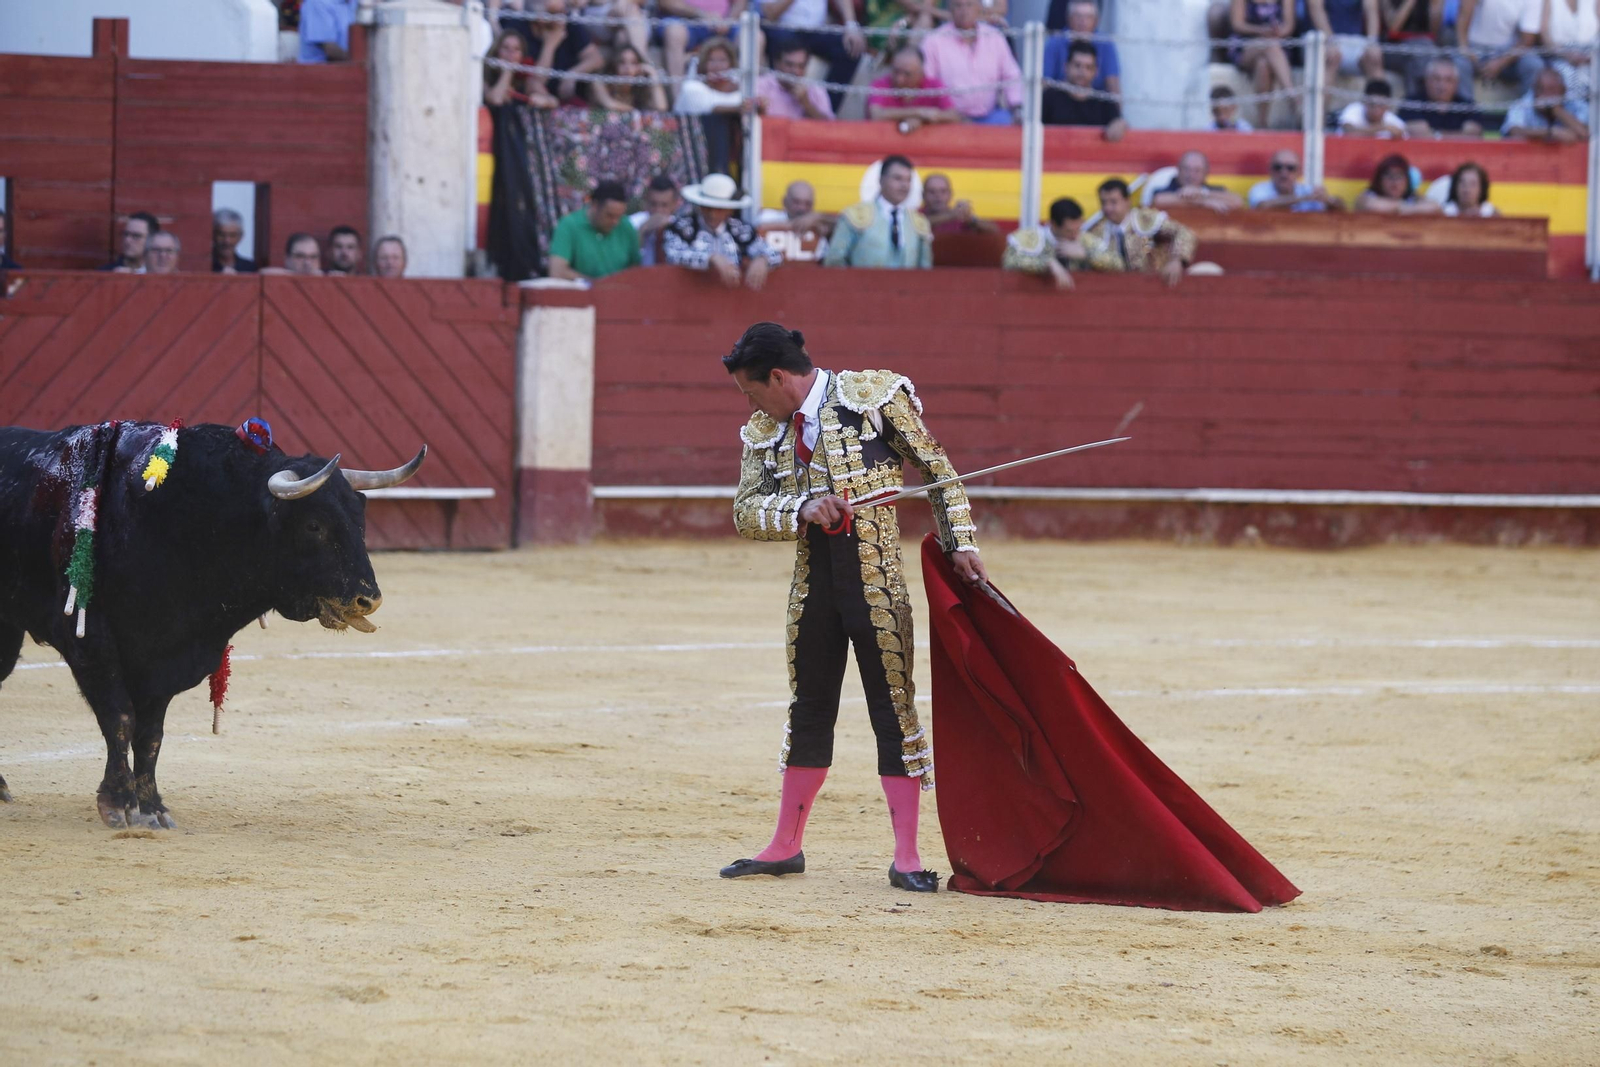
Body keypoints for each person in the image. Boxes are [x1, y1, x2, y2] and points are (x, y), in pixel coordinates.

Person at [718, 322, 986, 892]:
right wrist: (803, 507)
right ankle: (785, 846)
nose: (750, 403)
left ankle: (908, 857)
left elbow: (938, 470)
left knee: (894, 713)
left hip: (877, 583)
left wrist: (960, 544)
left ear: (778, 376)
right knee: (809, 709)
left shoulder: (873, 397)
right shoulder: (766, 428)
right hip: (813, 587)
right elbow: (745, 512)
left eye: (751, 390)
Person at [664, 173, 783, 289]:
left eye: (719, 209)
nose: (712, 214)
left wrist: (763, 260)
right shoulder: (681, 227)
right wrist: (711, 258)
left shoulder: (740, 230)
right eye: (707, 207)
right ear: (700, 206)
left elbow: (775, 253)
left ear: (730, 210)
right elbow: (673, 254)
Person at [921, 0, 1024, 125]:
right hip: (950, 120)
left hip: (991, 116)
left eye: (969, 5)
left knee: (1011, 124)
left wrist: (1017, 107)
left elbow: (1011, 75)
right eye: (958, 5)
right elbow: (927, 82)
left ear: (979, 8)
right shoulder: (934, 41)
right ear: (950, 10)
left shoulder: (994, 37)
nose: (964, 11)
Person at [823, 154, 934, 269]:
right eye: (897, 178)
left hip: (907, 287)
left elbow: (925, 269)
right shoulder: (855, 216)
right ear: (881, 180)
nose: (904, 185)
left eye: (908, 180)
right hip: (862, 286)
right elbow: (835, 260)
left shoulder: (919, 222)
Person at [1082, 177, 1198, 285]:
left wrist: (1176, 260)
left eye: (1113, 202)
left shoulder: (1145, 218)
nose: (1107, 208)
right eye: (1103, 203)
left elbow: (1184, 232)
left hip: (1157, 284)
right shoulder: (1098, 231)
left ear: (1127, 201)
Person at [759, 0, 868, 113]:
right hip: (783, 29)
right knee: (783, 49)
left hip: (816, 31)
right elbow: (770, 14)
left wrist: (851, 25)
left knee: (851, 48)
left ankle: (825, 109)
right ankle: (773, 109)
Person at [673, 37, 748, 173]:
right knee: (717, 120)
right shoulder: (691, 87)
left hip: (730, 149)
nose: (717, 66)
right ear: (703, 64)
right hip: (688, 150)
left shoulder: (740, 90)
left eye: (722, 60)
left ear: (731, 64)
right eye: (711, 60)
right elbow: (710, 108)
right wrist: (741, 107)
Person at [549, 180, 642, 281]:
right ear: (595, 205)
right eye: (609, 215)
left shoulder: (625, 226)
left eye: (619, 216)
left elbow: (636, 268)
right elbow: (557, 271)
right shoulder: (569, 225)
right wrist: (597, 285)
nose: (615, 222)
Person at [1002, 196, 1098, 290]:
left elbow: (1112, 260)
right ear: (1053, 224)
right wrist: (1048, 262)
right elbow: (1009, 261)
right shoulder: (1030, 237)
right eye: (1069, 231)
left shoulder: (1085, 239)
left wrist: (1087, 255)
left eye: (1078, 229)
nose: (1075, 236)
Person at [1228, 0, 1296, 129]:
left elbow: (1289, 26)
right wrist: (1261, 31)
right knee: (1269, 45)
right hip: (1245, 46)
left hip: (1278, 47)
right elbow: (1237, 24)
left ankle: (1262, 123)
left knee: (1263, 64)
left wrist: (1276, 33)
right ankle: (1292, 98)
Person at [521, 0, 605, 105]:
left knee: (596, 81)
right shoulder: (523, 30)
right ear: (540, 18)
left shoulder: (570, 25)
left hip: (571, 100)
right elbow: (536, 83)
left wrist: (571, 74)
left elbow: (596, 59)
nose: (562, 18)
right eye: (555, 13)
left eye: (563, 11)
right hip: (540, 101)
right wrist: (550, 46)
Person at [1042, 40, 1128, 140]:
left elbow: (1119, 123)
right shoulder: (1049, 98)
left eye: (1088, 67)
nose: (1082, 72)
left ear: (1096, 71)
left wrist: (1120, 124)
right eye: (1077, 65)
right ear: (1066, 67)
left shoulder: (1104, 101)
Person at [657, 0, 753, 85]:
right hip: (686, 21)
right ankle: (678, 99)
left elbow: (740, 2)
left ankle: (749, 99)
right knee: (674, 32)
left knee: (754, 36)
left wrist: (728, 21)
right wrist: (701, 14)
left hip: (725, 24)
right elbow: (667, 2)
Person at [867, 46, 962, 131]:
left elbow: (953, 115)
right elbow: (876, 115)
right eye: (896, 71)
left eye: (907, 74)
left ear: (921, 72)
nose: (899, 79)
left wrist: (921, 121)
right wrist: (919, 113)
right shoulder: (881, 84)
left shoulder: (934, 85)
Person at [1458, 0, 1545, 91]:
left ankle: (1528, 104)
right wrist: (1465, 49)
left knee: (1533, 65)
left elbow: (1527, 40)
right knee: (1459, 64)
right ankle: (1466, 103)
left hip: (1509, 54)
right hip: (1474, 49)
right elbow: (1463, 13)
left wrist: (1500, 63)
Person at [1043, 0, 1122, 96]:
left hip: (1095, 103)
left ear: (1096, 21)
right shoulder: (1054, 42)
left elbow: (1113, 85)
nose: (1082, 21)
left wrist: (1116, 110)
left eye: (1088, 17)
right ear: (1069, 18)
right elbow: (1045, 83)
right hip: (1060, 102)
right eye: (1078, 16)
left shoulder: (1106, 44)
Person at [1400, 54, 1488, 136]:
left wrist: (1435, 135)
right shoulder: (1412, 103)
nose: (1442, 86)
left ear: (1456, 83)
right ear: (1426, 80)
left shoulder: (1467, 106)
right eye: (1436, 79)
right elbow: (1419, 135)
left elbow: (1472, 136)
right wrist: (1458, 135)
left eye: (1448, 80)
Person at [1502, 63, 1592, 140]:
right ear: (1534, 91)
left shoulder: (1576, 104)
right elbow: (1514, 131)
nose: (1546, 95)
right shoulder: (1523, 104)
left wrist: (1557, 110)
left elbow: (1584, 134)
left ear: (1563, 91)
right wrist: (1551, 132)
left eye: (1552, 90)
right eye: (1541, 90)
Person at [1307, 0, 1386, 83]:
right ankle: (1321, 95)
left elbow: (1372, 11)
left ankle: (1378, 95)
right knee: (1331, 57)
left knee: (1374, 59)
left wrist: (1372, 41)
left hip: (1355, 40)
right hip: (1321, 38)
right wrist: (1330, 40)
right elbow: (1316, 9)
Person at [756, 179, 834, 263]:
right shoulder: (768, 216)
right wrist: (797, 224)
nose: (802, 208)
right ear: (785, 201)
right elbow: (754, 229)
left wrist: (818, 217)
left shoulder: (819, 223)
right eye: (796, 202)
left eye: (807, 204)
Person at [1537, 0, 1598, 105]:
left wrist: (1590, 56)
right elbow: (1545, 36)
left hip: (1592, 57)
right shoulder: (1550, 2)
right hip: (1560, 57)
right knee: (1566, 78)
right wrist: (1567, 55)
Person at [756, 43, 835, 120]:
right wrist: (760, 110)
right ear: (776, 63)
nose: (795, 71)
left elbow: (831, 127)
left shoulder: (816, 90)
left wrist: (807, 104)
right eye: (789, 65)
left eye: (801, 66)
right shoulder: (761, 85)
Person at [1248, 149, 1347, 210]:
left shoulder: (1307, 191)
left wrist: (1328, 200)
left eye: (1290, 168)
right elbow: (1263, 207)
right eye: (1278, 167)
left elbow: (1341, 209)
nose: (1284, 173)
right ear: (1270, 170)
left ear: (1299, 172)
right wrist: (1303, 198)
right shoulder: (1259, 189)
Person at [1150, 150, 1245, 214]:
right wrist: (1204, 202)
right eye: (1186, 169)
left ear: (1206, 173)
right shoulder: (1165, 189)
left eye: (1197, 170)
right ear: (1178, 169)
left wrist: (1201, 192)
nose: (1191, 175)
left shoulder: (1211, 190)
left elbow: (1237, 201)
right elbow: (1159, 200)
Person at [1354, 152, 1443, 213]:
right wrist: (1406, 207)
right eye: (1389, 175)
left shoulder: (1412, 197)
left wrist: (1402, 207)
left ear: (1407, 181)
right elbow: (1371, 206)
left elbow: (1435, 207)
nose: (1394, 181)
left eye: (1399, 176)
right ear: (1379, 179)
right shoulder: (1368, 195)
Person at [485, 30, 552, 108]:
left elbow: (554, 101)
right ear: (497, 51)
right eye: (505, 47)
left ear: (522, 55)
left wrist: (544, 101)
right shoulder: (486, 77)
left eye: (516, 49)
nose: (511, 53)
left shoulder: (526, 80)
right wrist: (507, 71)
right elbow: (496, 100)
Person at [590, 45, 669, 111]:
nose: (628, 68)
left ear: (640, 67)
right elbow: (609, 104)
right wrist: (638, 113)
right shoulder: (599, 82)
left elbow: (661, 108)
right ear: (614, 65)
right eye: (622, 62)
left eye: (633, 63)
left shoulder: (642, 87)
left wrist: (653, 74)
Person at [630, 175, 688, 266]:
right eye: (653, 204)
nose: (658, 210)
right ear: (646, 201)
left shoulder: (682, 229)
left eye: (664, 205)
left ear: (674, 204)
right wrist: (642, 231)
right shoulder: (632, 223)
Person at [920, 173, 998, 235]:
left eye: (943, 191)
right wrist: (951, 215)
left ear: (950, 194)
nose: (938, 196)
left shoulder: (959, 216)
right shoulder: (915, 215)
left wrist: (971, 219)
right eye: (931, 192)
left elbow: (994, 231)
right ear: (923, 195)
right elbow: (918, 225)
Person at [1337, 77, 1408, 137]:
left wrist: (1398, 136)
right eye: (1372, 104)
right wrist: (1382, 127)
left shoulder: (1394, 122)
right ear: (1364, 102)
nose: (1376, 110)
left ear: (1388, 106)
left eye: (1381, 105)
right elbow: (1349, 132)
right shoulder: (1354, 110)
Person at [212, 209, 257, 274]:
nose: (227, 241)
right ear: (213, 235)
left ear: (240, 236)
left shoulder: (249, 268)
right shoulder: (204, 266)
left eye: (232, 235)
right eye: (221, 235)